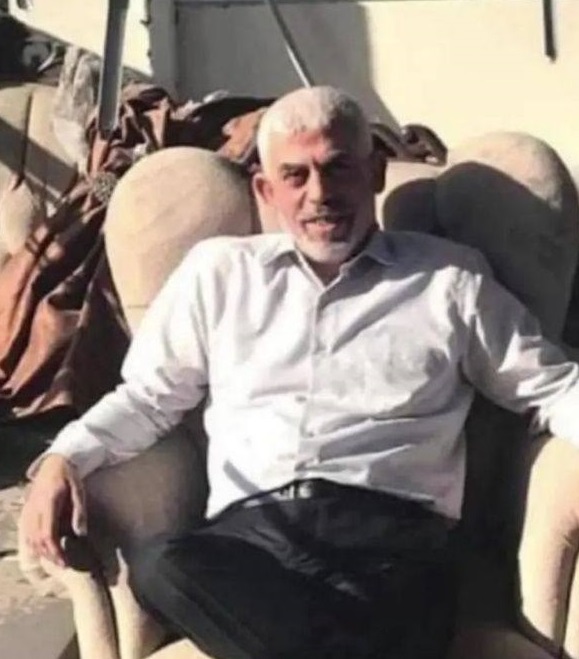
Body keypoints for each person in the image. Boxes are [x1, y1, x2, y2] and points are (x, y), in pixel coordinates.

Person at [21, 86, 579, 659]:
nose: (320, 194)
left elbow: (553, 386)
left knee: (411, 595)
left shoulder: (449, 280)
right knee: (162, 566)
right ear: (266, 190)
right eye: (295, 175)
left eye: (338, 168)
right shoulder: (218, 274)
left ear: (374, 172)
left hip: (392, 541)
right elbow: (148, 398)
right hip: (253, 543)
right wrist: (65, 458)